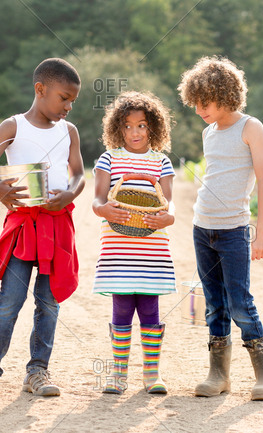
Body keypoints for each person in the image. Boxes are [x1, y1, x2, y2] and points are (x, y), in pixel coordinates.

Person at [0, 58, 85, 399]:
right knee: (10, 301)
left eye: (72, 100)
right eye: (64, 97)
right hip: (23, 225)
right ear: (40, 89)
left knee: (48, 303)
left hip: (57, 224)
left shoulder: (70, 132)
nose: (68, 106)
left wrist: (69, 195)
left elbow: (78, 174)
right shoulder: (13, 127)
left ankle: (37, 370)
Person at [177, 56, 263, 400]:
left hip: (234, 230)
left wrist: (261, 231)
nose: (199, 110)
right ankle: (218, 375)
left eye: (205, 102)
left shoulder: (251, 127)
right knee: (213, 304)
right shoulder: (208, 132)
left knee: (239, 302)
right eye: (195, 103)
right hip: (202, 228)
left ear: (225, 94)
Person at [92, 91, 176, 394]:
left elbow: (169, 203)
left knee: (151, 309)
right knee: (122, 307)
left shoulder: (161, 162)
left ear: (152, 127)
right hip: (118, 247)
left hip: (152, 248)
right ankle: (118, 374)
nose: (135, 132)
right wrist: (102, 210)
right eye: (127, 126)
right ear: (118, 128)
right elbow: (98, 200)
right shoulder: (109, 158)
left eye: (141, 125)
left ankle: (151, 374)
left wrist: (169, 218)